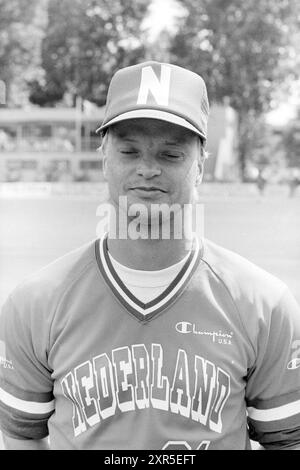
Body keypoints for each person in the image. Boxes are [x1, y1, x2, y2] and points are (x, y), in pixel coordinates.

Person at [0, 61, 300, 451]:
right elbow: (22, 438)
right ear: (104, 158)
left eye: (171, 155)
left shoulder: (264, 305)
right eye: (129, 151)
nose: (147, 169)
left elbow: (286, 443)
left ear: (200, 167)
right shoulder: (35, 303)